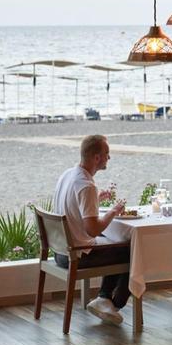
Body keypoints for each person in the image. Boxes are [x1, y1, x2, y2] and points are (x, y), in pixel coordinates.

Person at [53, 134, 130, 325]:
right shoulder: (86, 185)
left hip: (59, 251)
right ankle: (111, 301)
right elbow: (93, 230)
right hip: (77, 255)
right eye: (107, 153)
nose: (109, 158)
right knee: (133, 250)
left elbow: (73, 204)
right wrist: (113, 211)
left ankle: (104, 299)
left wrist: (96, 199)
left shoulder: (69, 174)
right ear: (97, 158)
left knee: (117, 244)